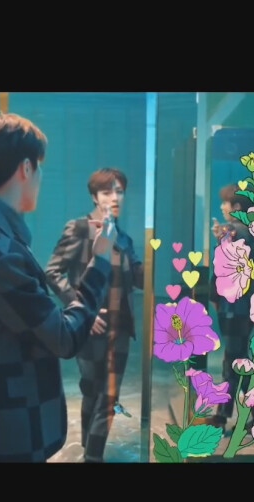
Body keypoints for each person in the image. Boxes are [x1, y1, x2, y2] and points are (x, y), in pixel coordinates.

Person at [0, 114, 116, 463]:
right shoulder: (2, 254)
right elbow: (64, 339)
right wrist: (100, 262)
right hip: (6, 432)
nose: (40, 177)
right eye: (39, 167)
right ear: (26, 168)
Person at [45, 168, 144, 462]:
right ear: (94, 196)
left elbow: (138, 278)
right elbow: (52, 272)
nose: (115, 198)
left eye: (119, 192)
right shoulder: (79, 228)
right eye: (107, 192)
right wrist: (80, 309)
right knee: (91, 390)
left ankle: (93, 456)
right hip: (90, 326)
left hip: (120, 326)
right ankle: (91, 451)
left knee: (109, 395)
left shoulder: (124, 238)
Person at [208, 184, 254, 432]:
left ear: (236, 207)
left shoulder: (237, 230)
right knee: (237, 361)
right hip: (243, 307)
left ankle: (224, 417)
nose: (222, 207)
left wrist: (222, 234)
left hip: (236, 307)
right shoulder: (249, 232)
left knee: (233, 362)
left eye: (225, 203)